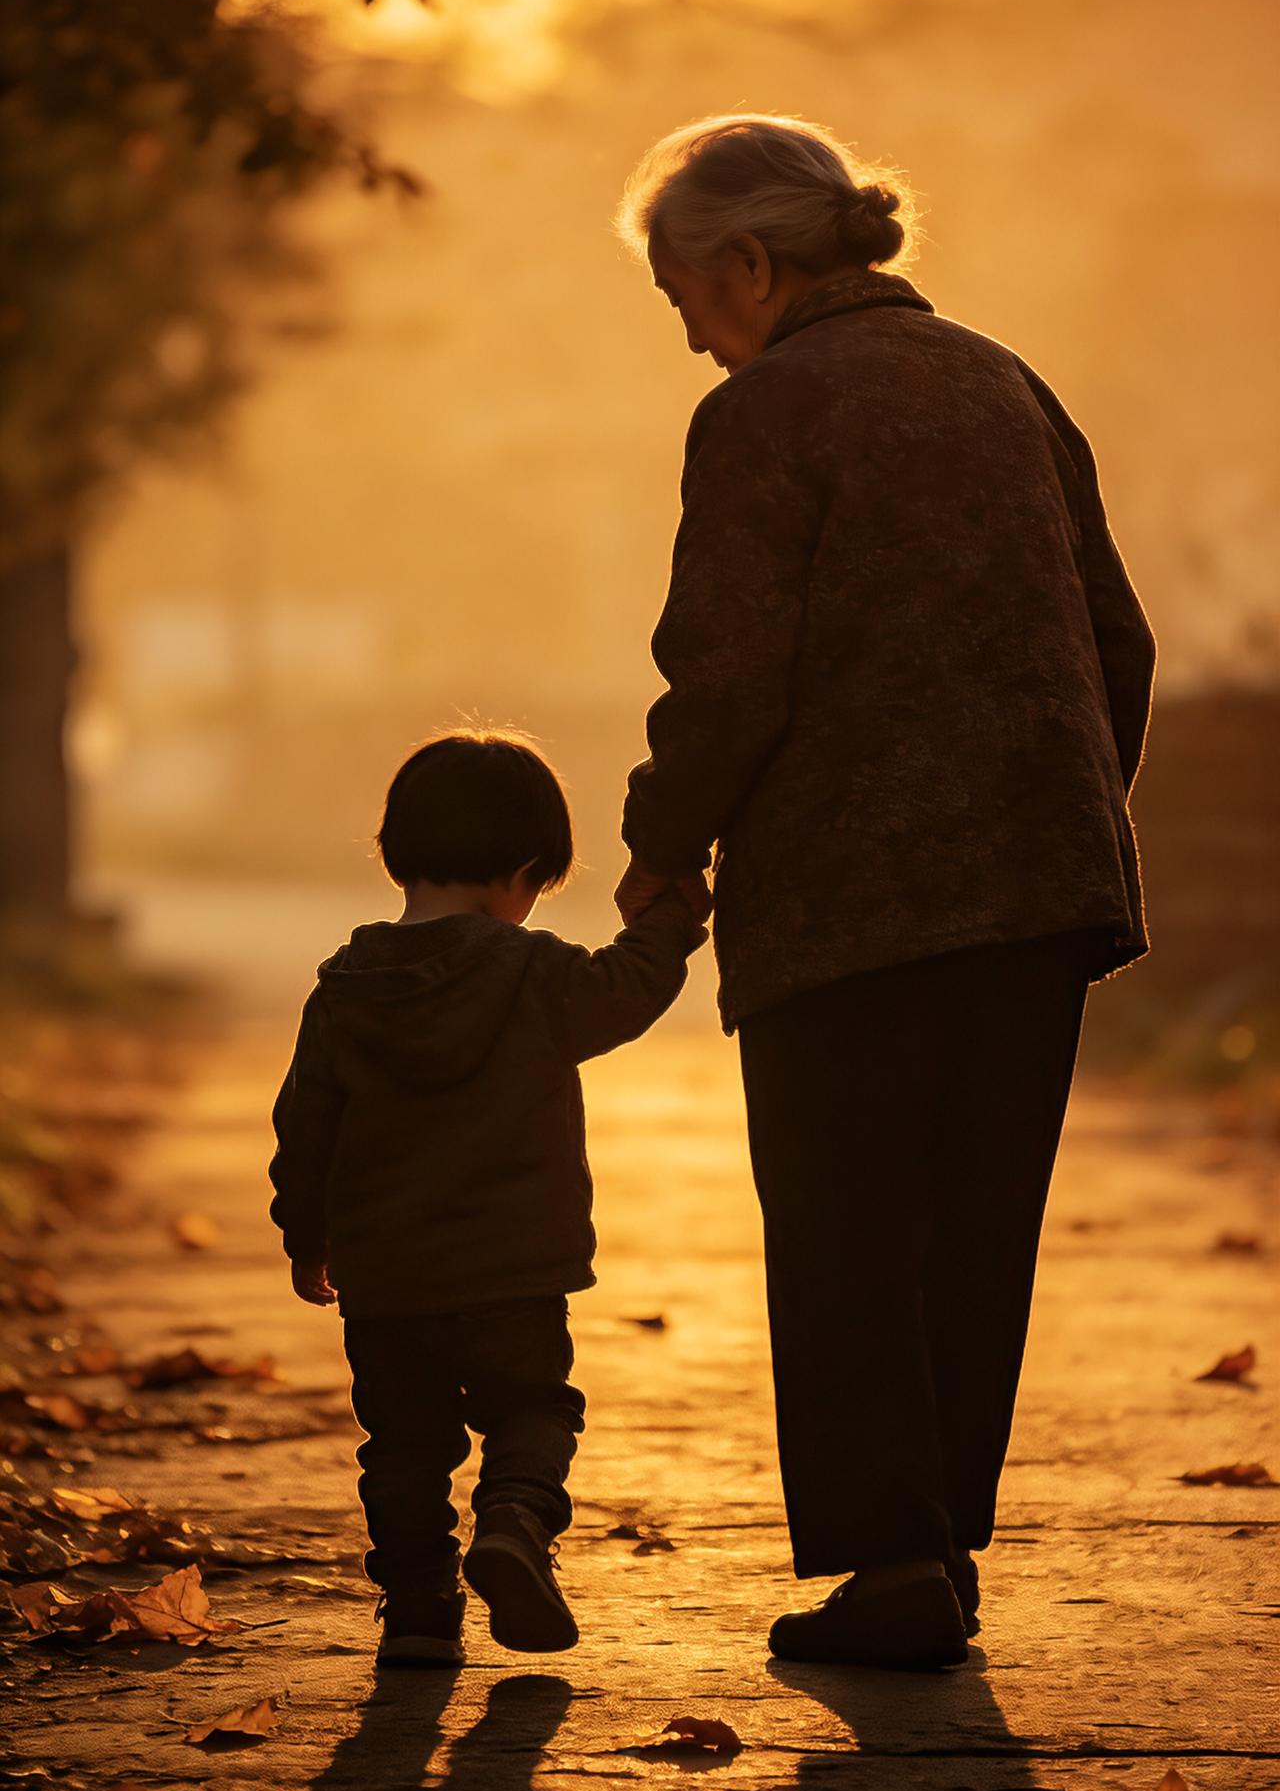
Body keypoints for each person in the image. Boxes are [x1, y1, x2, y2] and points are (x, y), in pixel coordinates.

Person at [613, 114, 1156, 1670]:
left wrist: (668, 840)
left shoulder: (772, 409)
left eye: (684, 299)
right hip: (1040, 885)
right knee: (973, 1224)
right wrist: (1060, 815)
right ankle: (935, 1543)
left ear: (749, 263)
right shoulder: (1005, 380)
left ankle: (894, 1557)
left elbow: (727, 670)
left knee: (846, 1225)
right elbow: (1115, 642)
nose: (693, 341)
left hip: (848, 899)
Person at [268, 730, 706, 1667]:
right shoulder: (531, 972)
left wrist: (307, 1237)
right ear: (520, 872)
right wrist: (670, 917)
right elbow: (627, 989)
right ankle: (514, 1521)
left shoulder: (343, 991)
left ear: (398, 853)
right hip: (517, 1268)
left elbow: (304, 1128)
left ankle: (419, 1610)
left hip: (388, 1280)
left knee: (402, 1446)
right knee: (535, 1410)